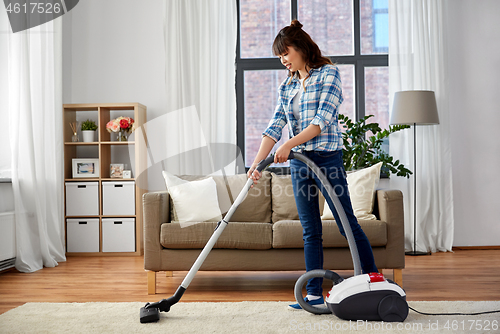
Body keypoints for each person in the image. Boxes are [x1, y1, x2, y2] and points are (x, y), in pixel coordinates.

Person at [247, 20, 378, 310]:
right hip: (300, 165)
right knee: (310, 229)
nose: (283, 60)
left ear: (301, 47)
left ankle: (373, 279)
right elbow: (274, 127)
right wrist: (257, 164)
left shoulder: (329, 74)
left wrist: (288, 145)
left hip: (326, 159)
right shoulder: (287, 86)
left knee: (346, 223)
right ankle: (314, 293)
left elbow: (321, 121)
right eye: (279, 56)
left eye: (285, 53)